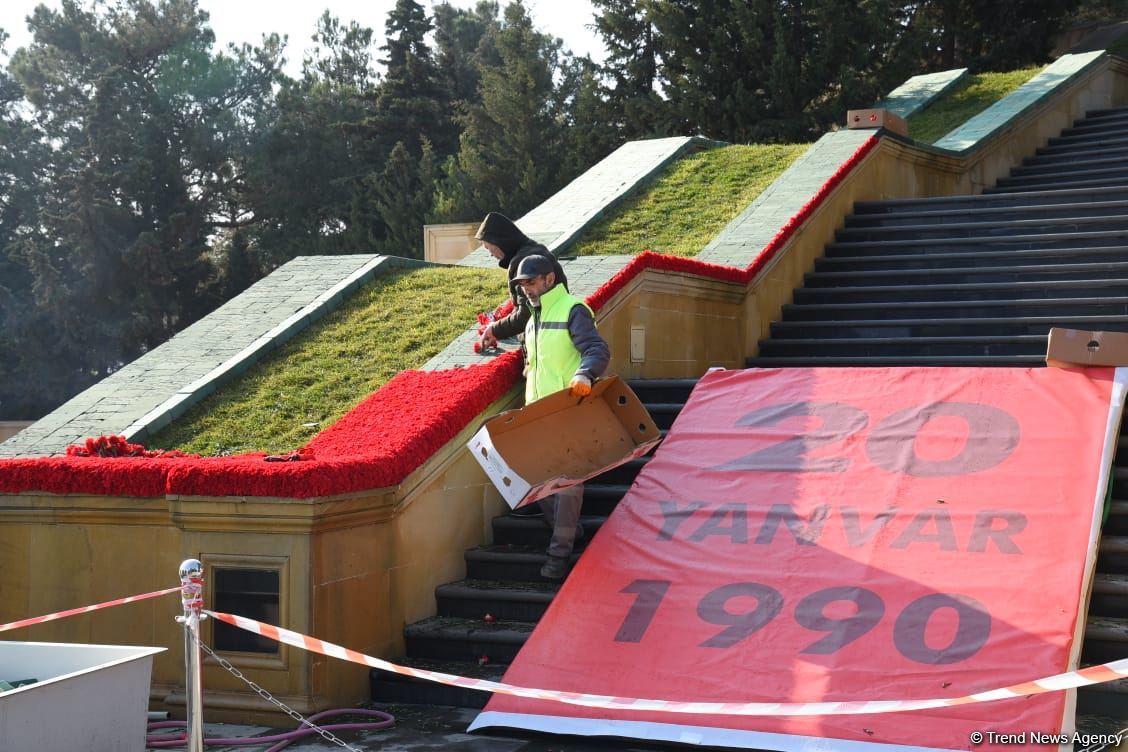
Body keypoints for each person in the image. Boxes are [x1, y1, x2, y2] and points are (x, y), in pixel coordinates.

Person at [511, 253, 610, 579]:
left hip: (568, 412)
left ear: (549, 279)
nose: (525, 288)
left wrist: (584, 374)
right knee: (533, 481)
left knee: (568, 484)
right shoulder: (531, 318)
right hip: (538, 415)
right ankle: (568, 532)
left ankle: (559, 555)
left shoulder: (573, 309)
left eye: (530, 281)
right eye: (522, 284)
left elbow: (596, 350)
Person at [475, 212, 569, 351]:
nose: (490, 254)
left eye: (489, 248)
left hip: (546, 343)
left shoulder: (522, 263)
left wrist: (494, 330)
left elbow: (526, 315)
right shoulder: (535, 250)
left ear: (499, 242)